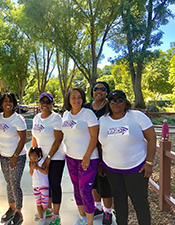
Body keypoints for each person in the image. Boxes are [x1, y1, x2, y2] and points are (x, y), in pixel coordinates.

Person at [98, 90, 156, 225]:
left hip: (136, 168)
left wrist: (149, 162)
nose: (116, 103)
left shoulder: (137, 117)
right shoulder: (102, 120)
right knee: (118, 201)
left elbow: (152, 138)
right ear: (108, 103)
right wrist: (101, 163)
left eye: (120, 100)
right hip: (112, 169)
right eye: (112, 100)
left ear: (126, 102)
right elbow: (99, 144)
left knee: (139, 201)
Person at [61, 87, 99, 225]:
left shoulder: (87, 114)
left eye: (79, 97)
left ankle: (90, 223)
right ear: (68, 100)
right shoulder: (65, 115)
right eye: (73, 97)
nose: (76, 100)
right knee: (76, 188)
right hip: (71, 157)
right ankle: (82, 217)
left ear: (82, 99)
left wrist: (87, 156)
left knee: (85, 190)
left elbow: (95, 136)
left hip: (88, 158)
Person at [31, 92, 65, 225]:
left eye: (48, 102)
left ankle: (56, 215)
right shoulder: (36, 118)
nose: (45, 105)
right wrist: (33, 158)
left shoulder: (56, 118)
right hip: (41, 156)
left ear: (52, 103)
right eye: (42, 102)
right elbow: (34, 137)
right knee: (45, 184)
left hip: (55, 156)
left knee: (54, 184)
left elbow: (58, 140)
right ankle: (49, 209)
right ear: (39, 104)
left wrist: (49, 158)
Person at [0, 93, 27, 225]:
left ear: (14, 104)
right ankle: (11, 207)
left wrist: (15, 156)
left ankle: (19, 212)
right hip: (3, 155)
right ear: (1, 103)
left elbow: (23, 139)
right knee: (8, 183)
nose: (8, 103)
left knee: (15, 183)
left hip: (17, 157)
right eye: (5, 101)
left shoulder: (17, 119)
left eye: (11, 101)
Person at [84, 81, 113, 224]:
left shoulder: (110, 107)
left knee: (104, 181)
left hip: (104, 149)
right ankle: (99, 207)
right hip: (89, 149)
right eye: (96, 89)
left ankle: (108, 212)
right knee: (93, 182)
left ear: (107, 92)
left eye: (102, 89)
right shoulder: (86, 108)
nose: (99, 91)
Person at [29, 147, 49, 225]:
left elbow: (46, 172)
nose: (33, 160)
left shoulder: (43, 161)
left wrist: (37, 167)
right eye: (31, 158)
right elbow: (31, 174)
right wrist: (32, 168)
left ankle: (43, 213)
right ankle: (41, 219)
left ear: (39, 156)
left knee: (44, 205)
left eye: (35, 158)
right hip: (35, 186)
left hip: (43, 186)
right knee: (38, 203)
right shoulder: (31, 163)